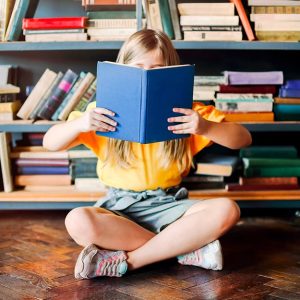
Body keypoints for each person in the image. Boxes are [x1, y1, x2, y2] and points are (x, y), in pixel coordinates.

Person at [43, 29, 252, 279]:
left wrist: (205, 126)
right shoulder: (100, 113)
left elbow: (243, 138)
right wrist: (80, 124)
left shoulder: (188, 114)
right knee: (77, 220)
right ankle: (182, 249)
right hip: (118, 207)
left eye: (157, 69)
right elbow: (50, 142)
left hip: (168, 205)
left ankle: (131, 261)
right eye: (138, 67)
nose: (146, 75)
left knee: (227, 209)